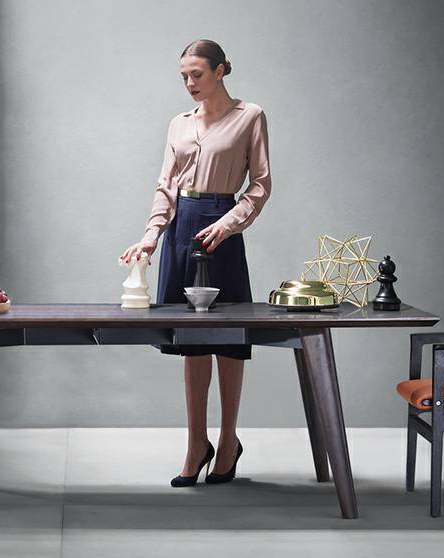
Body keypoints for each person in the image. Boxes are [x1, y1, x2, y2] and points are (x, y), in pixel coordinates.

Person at [119, 39, 272, 487]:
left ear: (221, 70)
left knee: (229, 337)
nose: (189, 83)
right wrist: (151, 237)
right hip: (182, 227)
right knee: (191, 340)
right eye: (184, 76)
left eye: (197, 74)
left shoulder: (250, 116)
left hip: (221, 225)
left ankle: (226, 442)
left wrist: (229, 223)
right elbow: (165, 187)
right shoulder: (179, 124)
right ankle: (195, 444)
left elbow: (260, 184)